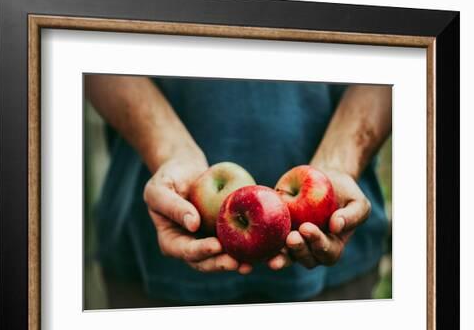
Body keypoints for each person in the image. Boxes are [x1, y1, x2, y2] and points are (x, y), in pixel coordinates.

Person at [85, 75, 391, 304]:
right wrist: (167, 151)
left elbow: (395, 53)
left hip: (337, 269)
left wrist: (340, 162)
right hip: (148, 257)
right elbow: (93, 49)